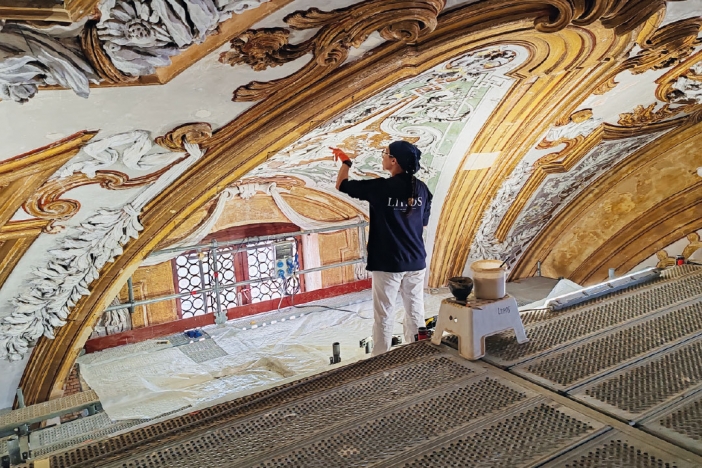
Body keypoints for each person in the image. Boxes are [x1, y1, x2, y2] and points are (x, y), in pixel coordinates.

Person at [332, 141, 433, 356]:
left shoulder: (380, 188)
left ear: (393, 161)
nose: (383, 157)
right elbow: (422, 224)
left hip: (389, 263)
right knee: (415, 311)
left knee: (384, 314)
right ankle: (418, 355)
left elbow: (341, 184)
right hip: (416, 261)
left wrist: (346, 162)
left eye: (385, 153)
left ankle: (381, 360)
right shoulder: (422, 189)